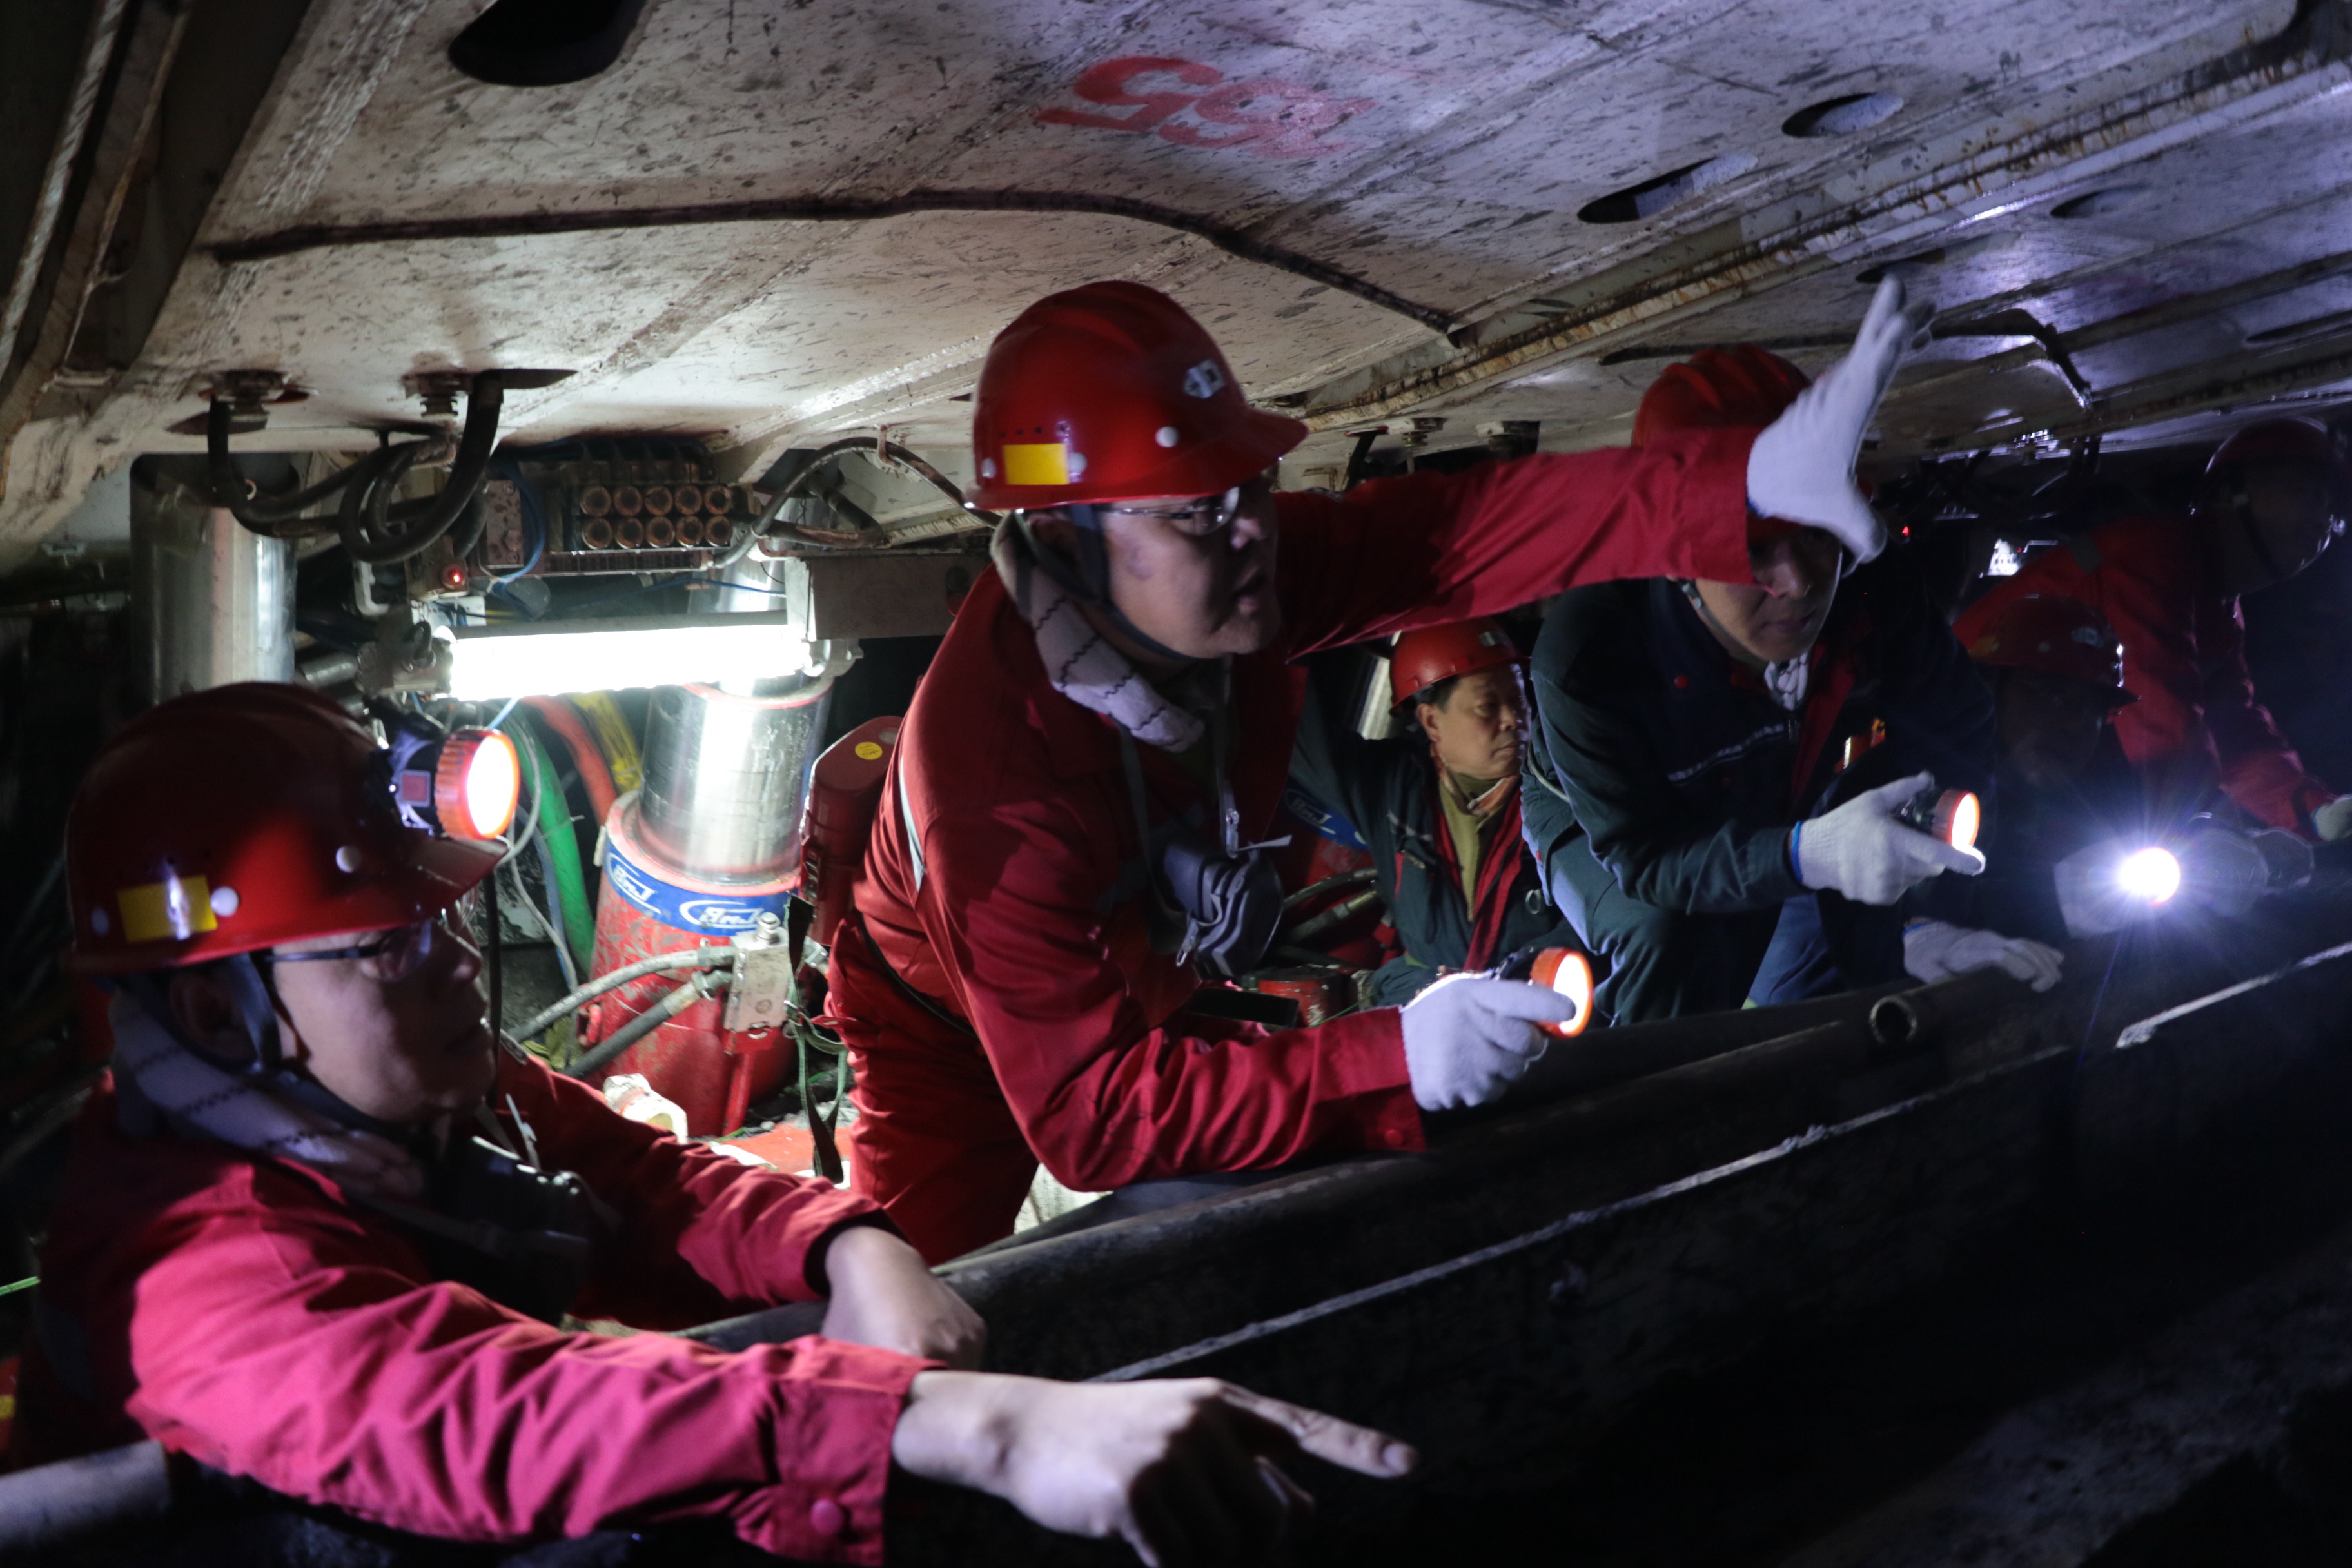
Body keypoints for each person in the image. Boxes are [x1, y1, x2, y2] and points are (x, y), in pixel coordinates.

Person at [21, 683, 1413, 1565]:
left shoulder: (394, 1097)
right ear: (213, 1015)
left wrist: (847, 1246)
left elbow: (639, 1173)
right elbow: (499, 1416)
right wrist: (969, 1426)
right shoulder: (196, 1274)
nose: (452, 962)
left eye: (440, 915)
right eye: (384, 945)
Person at [824, 276, 1933, 1262]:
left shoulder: (1216, 575)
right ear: (1068, 538)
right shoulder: (993, 791)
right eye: (1197, 512)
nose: (1253, 533)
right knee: (915, 1319)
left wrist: (1728, 487)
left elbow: (1455, 535)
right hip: (943, 1030)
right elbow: (1092, 1117)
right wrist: (1393, 1056)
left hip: (1141, 974)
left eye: (1251, 485)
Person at [1519, 344, 2063, 1025]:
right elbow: (1649, 855)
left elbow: (1954, 736)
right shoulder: (1589, 655)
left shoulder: (1877, 594)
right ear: (1674, 557)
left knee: (1873, 885)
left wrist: (1925, 920)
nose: (1799, 583)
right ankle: (1650, 1083)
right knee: (1679, 935)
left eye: (1816, 536)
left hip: (1785, 775)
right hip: (1607, 813)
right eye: (1753, 549)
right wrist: (1799, 855)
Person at [1953, 416, 2352, 841]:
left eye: (2336, 514)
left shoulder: (2219, 608)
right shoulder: (2151, 558)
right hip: (1957, 752)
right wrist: (2214, 837)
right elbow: (2162, 730)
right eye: (2309, 494)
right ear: (2228, 492)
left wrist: (2313, 810)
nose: (2324, 521)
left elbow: (2235, 731)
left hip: (2024, 780)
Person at [1291, 620, 1574, 1005]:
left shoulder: (1564, 793)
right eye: (1488, 707)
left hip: (1533, 1007)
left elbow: (1604, 917)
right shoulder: (1393, 787)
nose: (1513, 719)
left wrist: (1516, 979)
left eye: (1518, 698)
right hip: (1421, 1007)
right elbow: (1295, 728)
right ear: (1431, 721)